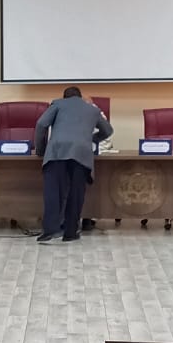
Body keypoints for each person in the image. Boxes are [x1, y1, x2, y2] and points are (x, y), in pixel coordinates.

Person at [31, 87, 111, 244]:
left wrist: (41, 150)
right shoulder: (92, 109)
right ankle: (70, 232)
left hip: (57, 152)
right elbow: (108, 130)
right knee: (76, 193)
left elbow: (41, 124)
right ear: (80, 97)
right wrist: (91, 139)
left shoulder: (57, 104)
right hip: (81, 153)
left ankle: (50, 230)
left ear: (64, 97)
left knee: (53, 192)